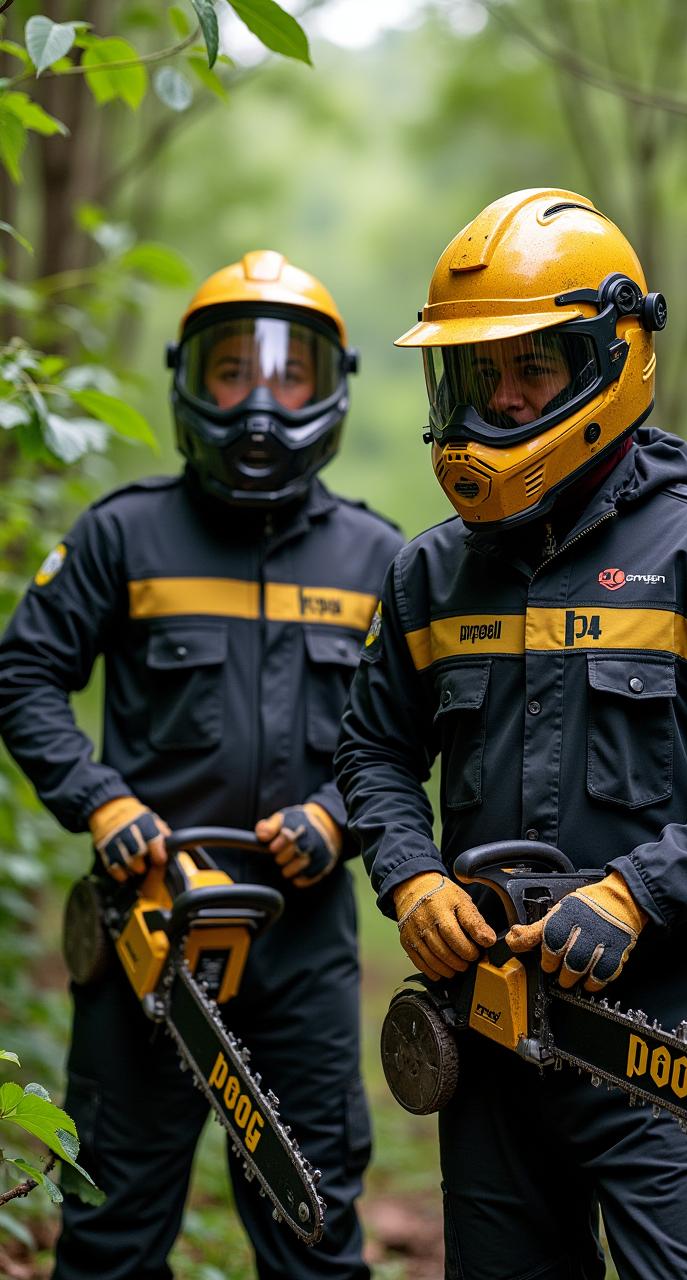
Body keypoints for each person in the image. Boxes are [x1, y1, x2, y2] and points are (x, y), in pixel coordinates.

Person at [334, 189, 687, 1280]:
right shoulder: (428, 572)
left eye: (534, 368)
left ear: (610, 361)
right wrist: (412, 880)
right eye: (478, 373)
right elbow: (370, 751)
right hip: (489, 1036)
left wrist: (635, 891)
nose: (500, 398)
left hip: (656, 1031)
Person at [0, 249, 403, 1280]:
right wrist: (97, 800)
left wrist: (337, 813)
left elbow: (410, 733)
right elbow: (24, 673)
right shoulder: (124, 533)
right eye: (233, 370)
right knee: (113, 1224)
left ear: (329, 383)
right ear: (191, 379)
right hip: (149, 935)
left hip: (302, 951)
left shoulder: (378, 559)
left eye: (288, 372)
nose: (259, 398)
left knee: (312, 1222)